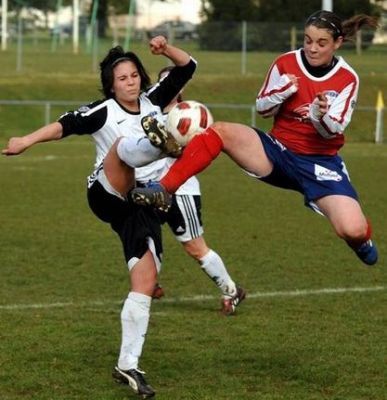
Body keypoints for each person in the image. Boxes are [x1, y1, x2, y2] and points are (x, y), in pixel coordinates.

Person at [2, 36, 197, 399]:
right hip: (107, 191)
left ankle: (128, 365)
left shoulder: (154, 100)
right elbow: (63, 125)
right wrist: (25, 141)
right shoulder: (104, 110)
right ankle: (158, 142)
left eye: (134, 75)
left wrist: (166, 49)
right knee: (123, 149)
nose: (130, 81)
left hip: (141, 202)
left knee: (146, 279)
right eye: (121, 78)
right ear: (111, 85)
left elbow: (188, 68)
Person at [131, 11, 379, 267]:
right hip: (277, 152)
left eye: (321, 43)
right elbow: (262, 109)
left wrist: (318, 115)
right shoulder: (286, 62)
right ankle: (164, 188)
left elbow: (332, 130)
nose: (312, 48)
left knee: (352, 229)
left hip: (321, 164)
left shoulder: (347, 78)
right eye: (307, 40)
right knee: (220, 131)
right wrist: (281, 92)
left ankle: (361, 242)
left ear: (337, 43)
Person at [142, 66, 246, 315]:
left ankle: (231, 290)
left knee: (194, 247)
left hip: (182, 190)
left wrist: (176, 147)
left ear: (182, 87)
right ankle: (148, 284)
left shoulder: (192, 115)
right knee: (139, 236)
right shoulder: (148, 112)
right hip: (151, 188)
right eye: (164, 81)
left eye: (174, 82)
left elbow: (201, 151)